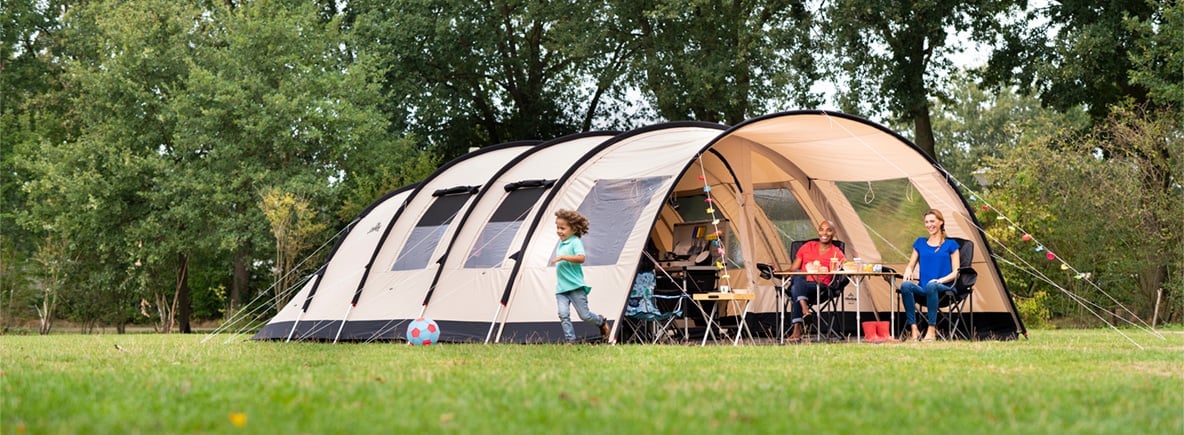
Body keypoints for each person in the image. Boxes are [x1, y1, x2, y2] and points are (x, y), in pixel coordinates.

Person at [550, 209, 611, 343]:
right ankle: (570, 340)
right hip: (561, 289)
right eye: (557, 227)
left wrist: (563, 257)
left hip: (575, 286)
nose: (559, 231)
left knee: (585, 315)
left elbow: (581, 258)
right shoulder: (561, 242)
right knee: (563, 314)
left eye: (562, 228)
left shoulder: (575, 242)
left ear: (573, 228)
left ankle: (601, 322)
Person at [899, 209, 961, 342]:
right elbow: (911, 264)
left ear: (941, 222)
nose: (929, 225)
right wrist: (909, 269)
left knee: (932, 285)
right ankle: (914, 329)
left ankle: (931, 330)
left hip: (945, 287)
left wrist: (939, 281)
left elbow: (956, 272)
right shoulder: (920, 243)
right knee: (905, 285)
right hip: (924, 288)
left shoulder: (951, 245)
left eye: (932, 221)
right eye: (926, 222)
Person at [784, 220, 846, 342]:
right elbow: (792, 269)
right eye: (821, 229)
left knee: (796, 288)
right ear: (818, 231)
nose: (824, 233)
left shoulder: (836, 252)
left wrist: (855, 262)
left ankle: (797, 329)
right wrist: (776, 272)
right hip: (801, 283)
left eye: (829, 230)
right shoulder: (807, 246)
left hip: (820, 287)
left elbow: (847, 266)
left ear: (834, 233)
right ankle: (804, 309)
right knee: (797, 278)